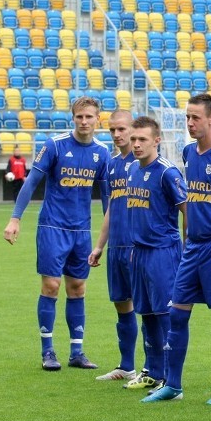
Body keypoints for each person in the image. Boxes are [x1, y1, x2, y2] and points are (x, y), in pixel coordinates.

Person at [143, 93, 211, 404]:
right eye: (187, 117)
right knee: (176, 313)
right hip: (193, 247)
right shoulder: (189, 153)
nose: (190, 123)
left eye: (195, 118)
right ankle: (173, 385)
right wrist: (188, 233)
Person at [3, 96, 110, 370]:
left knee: (78, 288)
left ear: (98, 119)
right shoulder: (55, 145)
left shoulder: (102, 153)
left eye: (89, 117)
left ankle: (77, 352)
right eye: (79, 117)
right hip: (52, 227)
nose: (84, 121)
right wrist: (15, 219)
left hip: (82, 231)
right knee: (51, 286)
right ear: (72, 118)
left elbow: (109, 197)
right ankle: (48, 351)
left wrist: (113, 233)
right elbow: (30, 184)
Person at [123, 116, 187, 396]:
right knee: (146, 314)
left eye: (142, 140)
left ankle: (171, 380)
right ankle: (153, 372)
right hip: (139, 253)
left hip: (163, 252)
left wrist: (188, 248)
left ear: (156, 141)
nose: (136, 144)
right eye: (133, 139)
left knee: (165, 315)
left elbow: (188, 211)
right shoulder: (132, 171)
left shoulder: (167, 173)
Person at [88, 110, 139, 382]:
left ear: (134, 128)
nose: (117, 135)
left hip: (139, 247)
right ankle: (127, 366)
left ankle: (160, 370)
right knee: (122, 304)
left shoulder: (145, 162)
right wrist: (99, 246)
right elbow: (111, 208)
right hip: (116, 247)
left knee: (151, 309)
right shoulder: (113, 165)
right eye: (112, 130)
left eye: (122, 129)